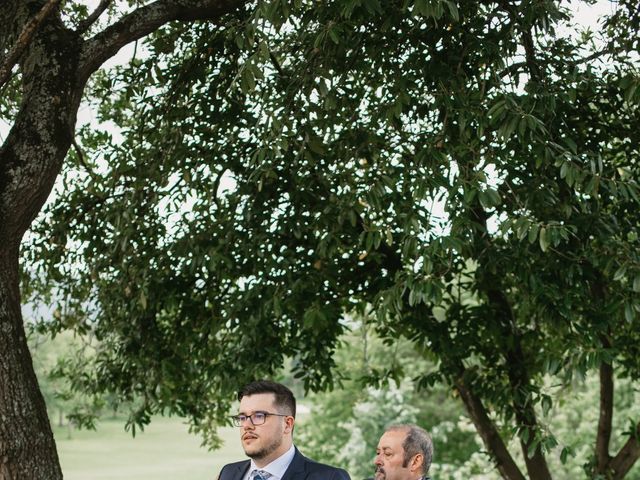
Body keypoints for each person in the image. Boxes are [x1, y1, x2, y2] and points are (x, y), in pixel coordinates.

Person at [218, 380, 351, 480]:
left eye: (259, 416)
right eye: (242, 417)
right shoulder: (228, 473)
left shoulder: (329, 477)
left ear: (287, 424)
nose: (246, 425)